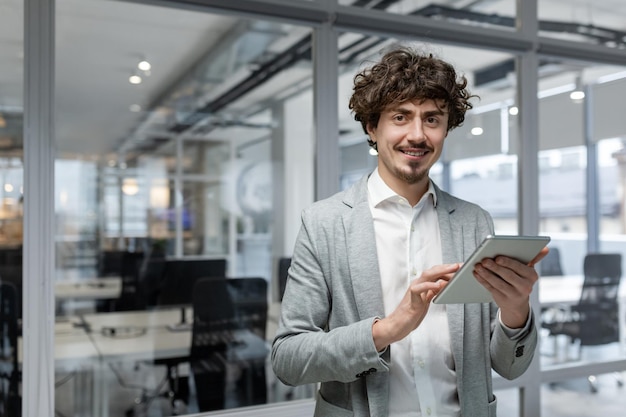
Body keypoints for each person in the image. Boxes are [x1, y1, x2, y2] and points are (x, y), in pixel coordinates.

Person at [271, 45, 548, 417]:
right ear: (372, 126)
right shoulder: (324, 223)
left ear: (446, 129)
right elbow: (288, 359)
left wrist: (515, 312)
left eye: (432, 119)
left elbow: (509, 366)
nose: (417, 135)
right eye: (400, 117)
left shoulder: (474, 222)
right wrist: (387, 329)